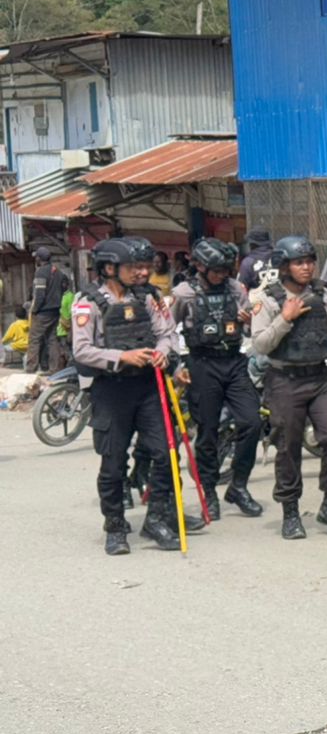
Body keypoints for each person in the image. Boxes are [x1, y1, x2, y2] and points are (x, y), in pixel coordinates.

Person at [250, 236, 327, 539]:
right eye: (299, 262)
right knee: (288, 447)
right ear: (284, 266)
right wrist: (285, 319)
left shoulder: (324, 295)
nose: (307, 267)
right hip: (284, 381)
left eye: (310, 260)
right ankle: (290, 511)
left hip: (320, 379)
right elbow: (261, 344)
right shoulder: (267, 299)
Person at [72, 237, 186, 555]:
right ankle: (115, 526)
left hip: (149, 387)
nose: (143, 272)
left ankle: (157, 518)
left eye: (146, 266)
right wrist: (121, 357)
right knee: (113, 462)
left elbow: (167, 334)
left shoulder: (150, 297)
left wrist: (164, 354)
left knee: (166, 453)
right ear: (110, 268)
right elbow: (82, 350)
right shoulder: (88, 302)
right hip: (111, 390)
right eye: (135, 267)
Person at [170, 238, 263, 519]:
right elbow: (166, 330)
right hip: (202, 364)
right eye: (217, 270)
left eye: (226, 270)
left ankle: (238, 485)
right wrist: (176, 366)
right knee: (208, 432)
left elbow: (249, 323)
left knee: (252, 421)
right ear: (199, 266)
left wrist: (247, 319)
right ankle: (208, 491)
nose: (223, 275)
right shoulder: (183, 293)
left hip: (234, 361)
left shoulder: (235, 288)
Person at [25, 246, 67, 373]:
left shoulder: (41, 272)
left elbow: (40, 294)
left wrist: (34, 310)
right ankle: (55, 369)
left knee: (34, 339)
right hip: (55, 311)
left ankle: (30, 369)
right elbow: (65, 285)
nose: (35, 259)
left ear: (39, 258)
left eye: (36, 257)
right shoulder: (58, 272)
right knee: (52, 339)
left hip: (43, 312)